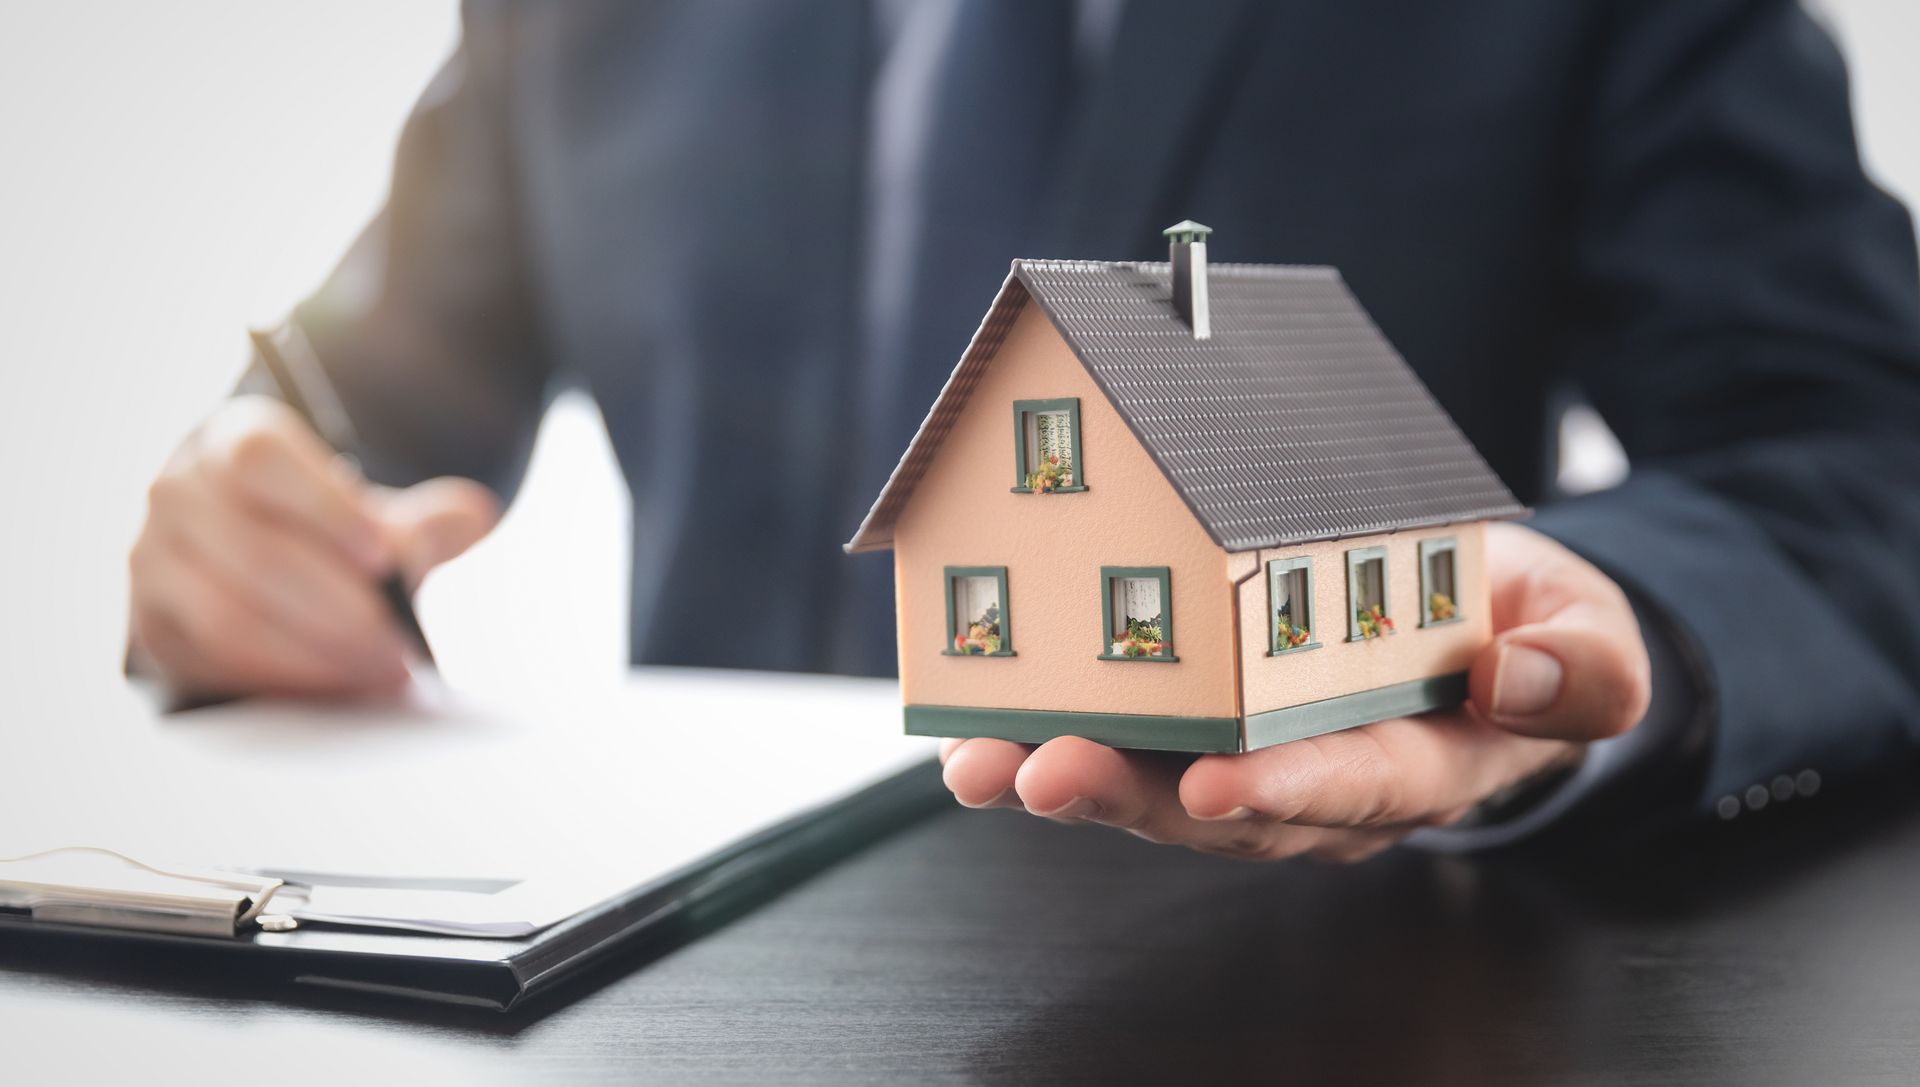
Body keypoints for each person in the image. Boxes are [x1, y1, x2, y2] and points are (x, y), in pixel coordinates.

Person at [128, 1, 1920, 859]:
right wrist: (250, 507)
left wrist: (1586, 622)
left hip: (1318, 993)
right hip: (661, 981)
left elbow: (1863, 448)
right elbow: (357, 392)